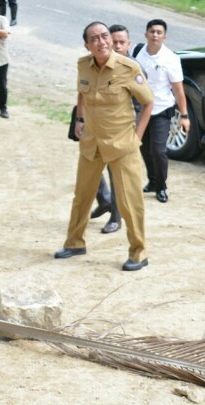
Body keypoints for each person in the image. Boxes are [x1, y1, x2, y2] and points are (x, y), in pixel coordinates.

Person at [54, 21, 154, 271]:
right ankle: (75, 242)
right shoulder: (83, 65)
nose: (101, 42)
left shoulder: (128, 68)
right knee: (82, 196)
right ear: (87, 45)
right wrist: (79, 118)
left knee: (130, 202)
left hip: (121, 144)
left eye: (105, 36)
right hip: (91, 142)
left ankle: (138, 252)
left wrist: (137, 137)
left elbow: (149, 102)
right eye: (94, 39)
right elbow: (82, 91)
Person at [134, 19, 190, 204]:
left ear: (164, 36)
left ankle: (162, 187)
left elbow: (178, 90)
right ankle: (152, 180)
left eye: (159, 32)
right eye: (152, 31)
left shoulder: (170, 59)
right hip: (141, 111)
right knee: (143, 147)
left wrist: (184, 116)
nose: (155, 35)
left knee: (158, 150)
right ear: (146, 34)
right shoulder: (138, 53)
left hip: (161, 110)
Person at [90, 24, 133, 233]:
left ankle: (116, 217)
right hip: (96, 128)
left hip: (120, 132)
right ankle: (105, 200)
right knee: (91, 166)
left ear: (128, 45)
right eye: (112, 41)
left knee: (115, 173)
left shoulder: (131, 69)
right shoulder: (98, 63)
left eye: (120, 42)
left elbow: (142, 106)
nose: (115, 46)